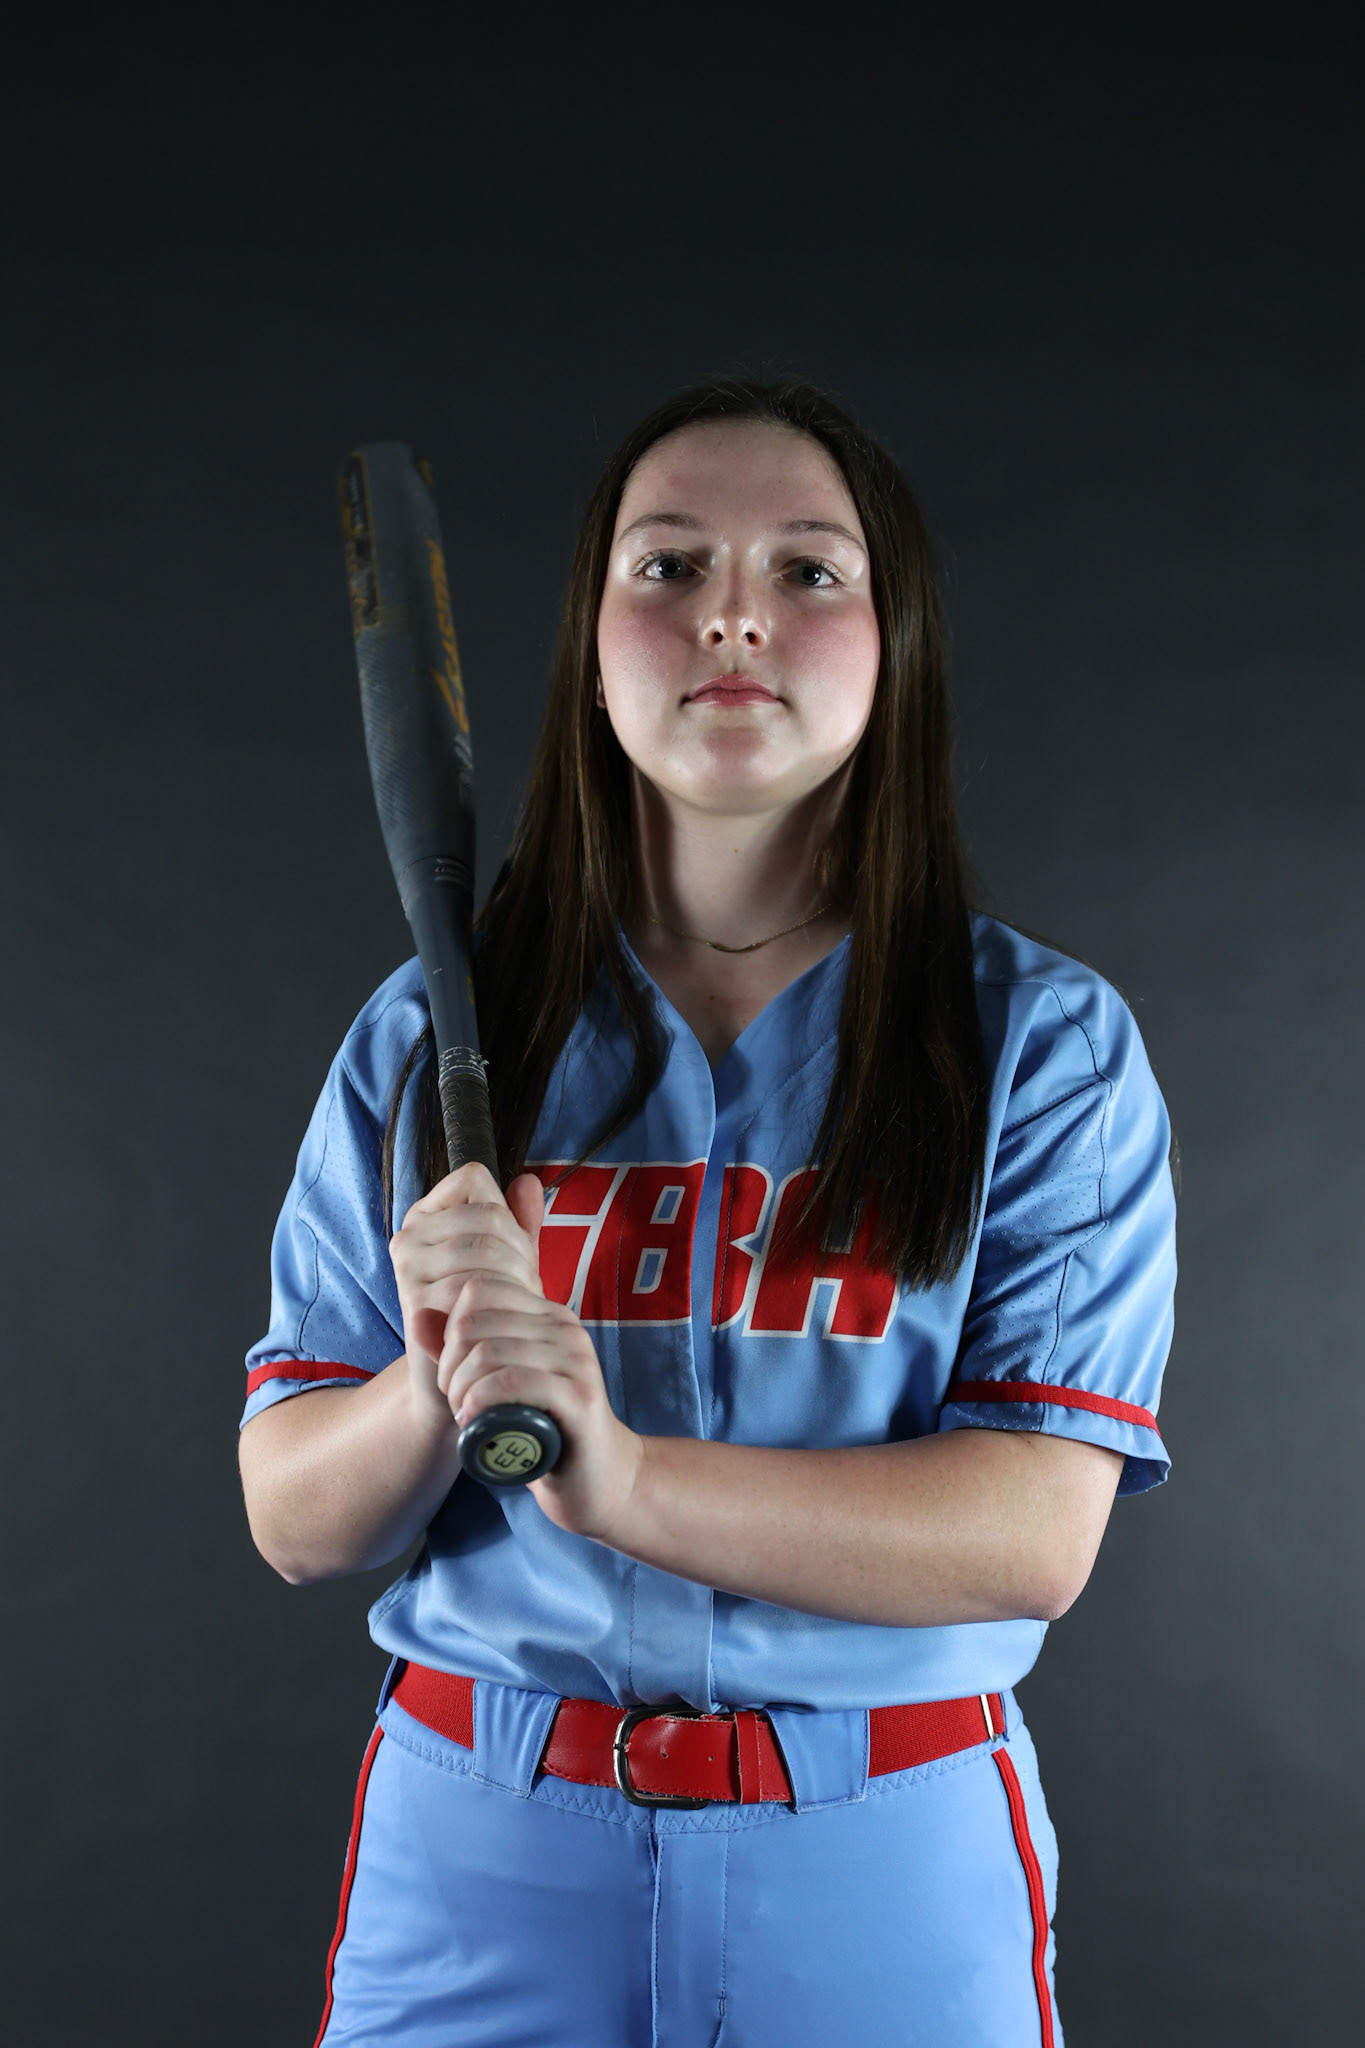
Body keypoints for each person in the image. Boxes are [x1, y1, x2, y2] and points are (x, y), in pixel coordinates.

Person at [238, 376, 1177, 2048]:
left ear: (896, 652)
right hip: (487, 1841)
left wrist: (623, 1478)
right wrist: (431, 1382)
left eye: (808, 573)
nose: (731, 611)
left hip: (878, 1851)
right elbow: (296, 1515)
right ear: (591, 652)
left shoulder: (1037, 1046)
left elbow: (1031, 1536)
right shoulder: (428, 1035)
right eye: (666, 567)